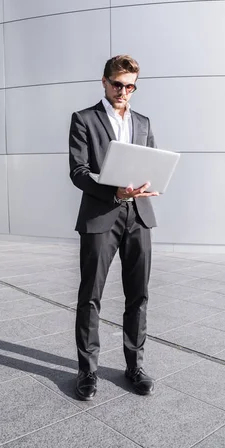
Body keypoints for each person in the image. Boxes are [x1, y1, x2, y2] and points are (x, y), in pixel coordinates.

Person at [69, 55, 159, 401]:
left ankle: (134, 366)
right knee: (90, 297)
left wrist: (150, 183)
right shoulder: (84, 120)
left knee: (138, 295)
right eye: (118, 84)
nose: (123, 91)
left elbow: (151, 161)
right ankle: (87, 371)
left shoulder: (144, 122)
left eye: (130, 86)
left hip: (139, 215)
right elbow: (78, 172)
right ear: (104, 81)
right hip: (101, 215)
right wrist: (113, 191)